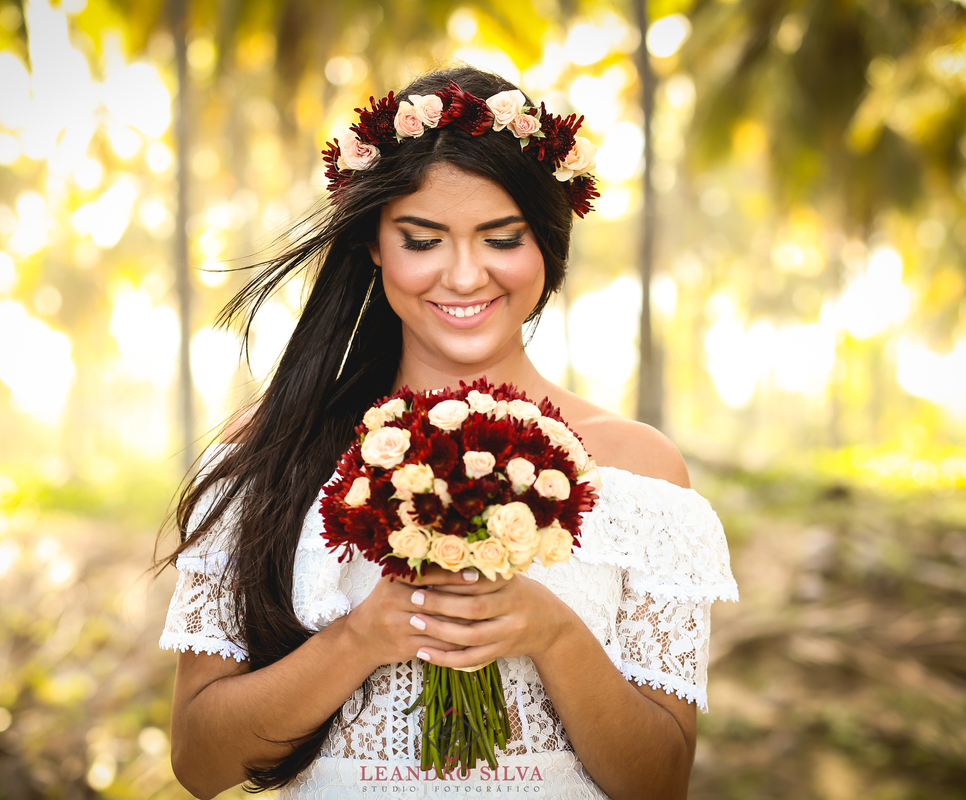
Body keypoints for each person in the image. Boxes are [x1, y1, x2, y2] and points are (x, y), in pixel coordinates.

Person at [156, 65, 738, 800]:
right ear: (374, 244)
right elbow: (200, 763)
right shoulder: (273, 451)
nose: (464, 276)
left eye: (501, 238)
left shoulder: (639, 469)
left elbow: (660, 784)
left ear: (547, 245)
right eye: (423, 240)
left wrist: (550, 631)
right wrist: (364, 637)